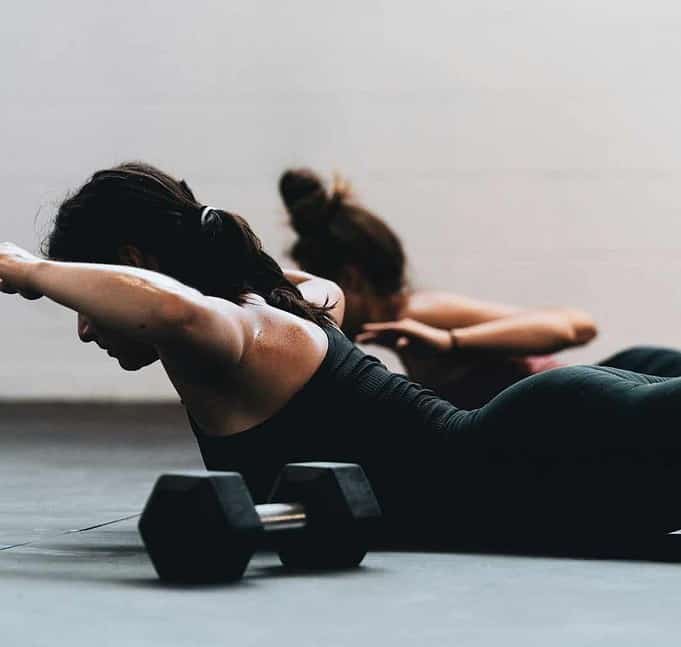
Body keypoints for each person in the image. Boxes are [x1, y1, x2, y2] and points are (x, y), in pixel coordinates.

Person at [2, 161, 681, 549]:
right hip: (549, 463)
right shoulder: (290, 303)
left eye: (86, 300)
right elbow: (212, 291)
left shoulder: (234, 336)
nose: (87, 329)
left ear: (131, 265)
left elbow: (169, 307)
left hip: (546, 457)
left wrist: (27, 271)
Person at [279, 169, 681, 407]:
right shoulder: (404, 332)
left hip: (625, 385)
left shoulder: (421, 313)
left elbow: (575, 326)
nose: (313, 305)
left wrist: (450, 341)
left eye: (318, 289)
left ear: (350, 280)